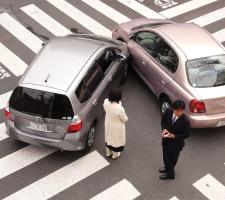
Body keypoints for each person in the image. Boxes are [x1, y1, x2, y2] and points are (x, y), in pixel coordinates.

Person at [159, 100, 190, 180]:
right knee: (165, 157)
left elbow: (186, 135)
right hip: (166, 140)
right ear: (173, 108)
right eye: (177, 110)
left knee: (172, 160)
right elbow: (163, 121)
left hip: (176, 145)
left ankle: (170, 175)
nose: (179, 113)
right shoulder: (168, 111)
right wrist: (164, 129)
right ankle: (167, 168)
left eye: (181, 111)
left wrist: (174, 136)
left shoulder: (186, 121)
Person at [103, 89, 128, 159]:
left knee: (108, 138)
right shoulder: (120, 109)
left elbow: (106, 109)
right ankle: (114, 155)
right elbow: (125, 119)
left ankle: (108, 152)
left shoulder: (106, 102)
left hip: (108, 123)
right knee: (115, 141)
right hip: (116, 127)